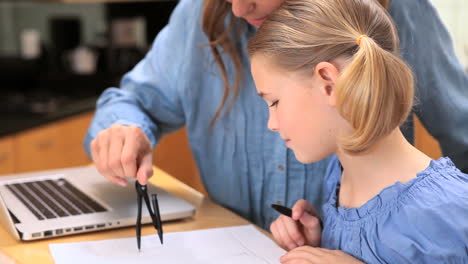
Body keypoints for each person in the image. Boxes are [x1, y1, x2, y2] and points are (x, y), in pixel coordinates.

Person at [84, 0, 468, 230]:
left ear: (330, 82)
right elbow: (133, 100)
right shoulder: (198, 15)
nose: (237, 8)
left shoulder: (394, 11)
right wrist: (123, 128)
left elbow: (462, 129)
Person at [248, 0, 468, 262]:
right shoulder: (339, 175)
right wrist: (318, 245)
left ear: (328, 83)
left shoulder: (445, 213)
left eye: (274, 102)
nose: (271, 124)